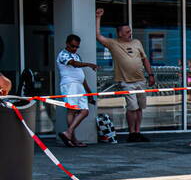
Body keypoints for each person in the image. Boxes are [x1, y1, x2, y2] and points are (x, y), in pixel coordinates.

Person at [95, 8, 155, 142]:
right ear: (120, 33)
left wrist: (150, 75)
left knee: (140, 107)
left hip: (141, 80)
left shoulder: (137, 42)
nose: (130, 33)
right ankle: (132, 132)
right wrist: (98, 18)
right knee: (131, 107)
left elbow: (145, 59)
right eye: (127, 32)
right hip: (127, 81)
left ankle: (138, 132)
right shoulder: (113, 43)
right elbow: (98, 36)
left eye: (130, 31)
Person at [55, 34, 98, 147]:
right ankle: (72, 138)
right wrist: (89, 64)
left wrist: (89, 93)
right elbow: (74, 64)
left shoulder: (77, 55)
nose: (74, 49)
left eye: (77, 47)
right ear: (67, 44)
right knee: (72, 111)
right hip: (69, 85)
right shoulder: (63, 54)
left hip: (79, 85)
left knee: (85, 111)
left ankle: (68, 134)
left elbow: (81, 76)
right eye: (73, 46)